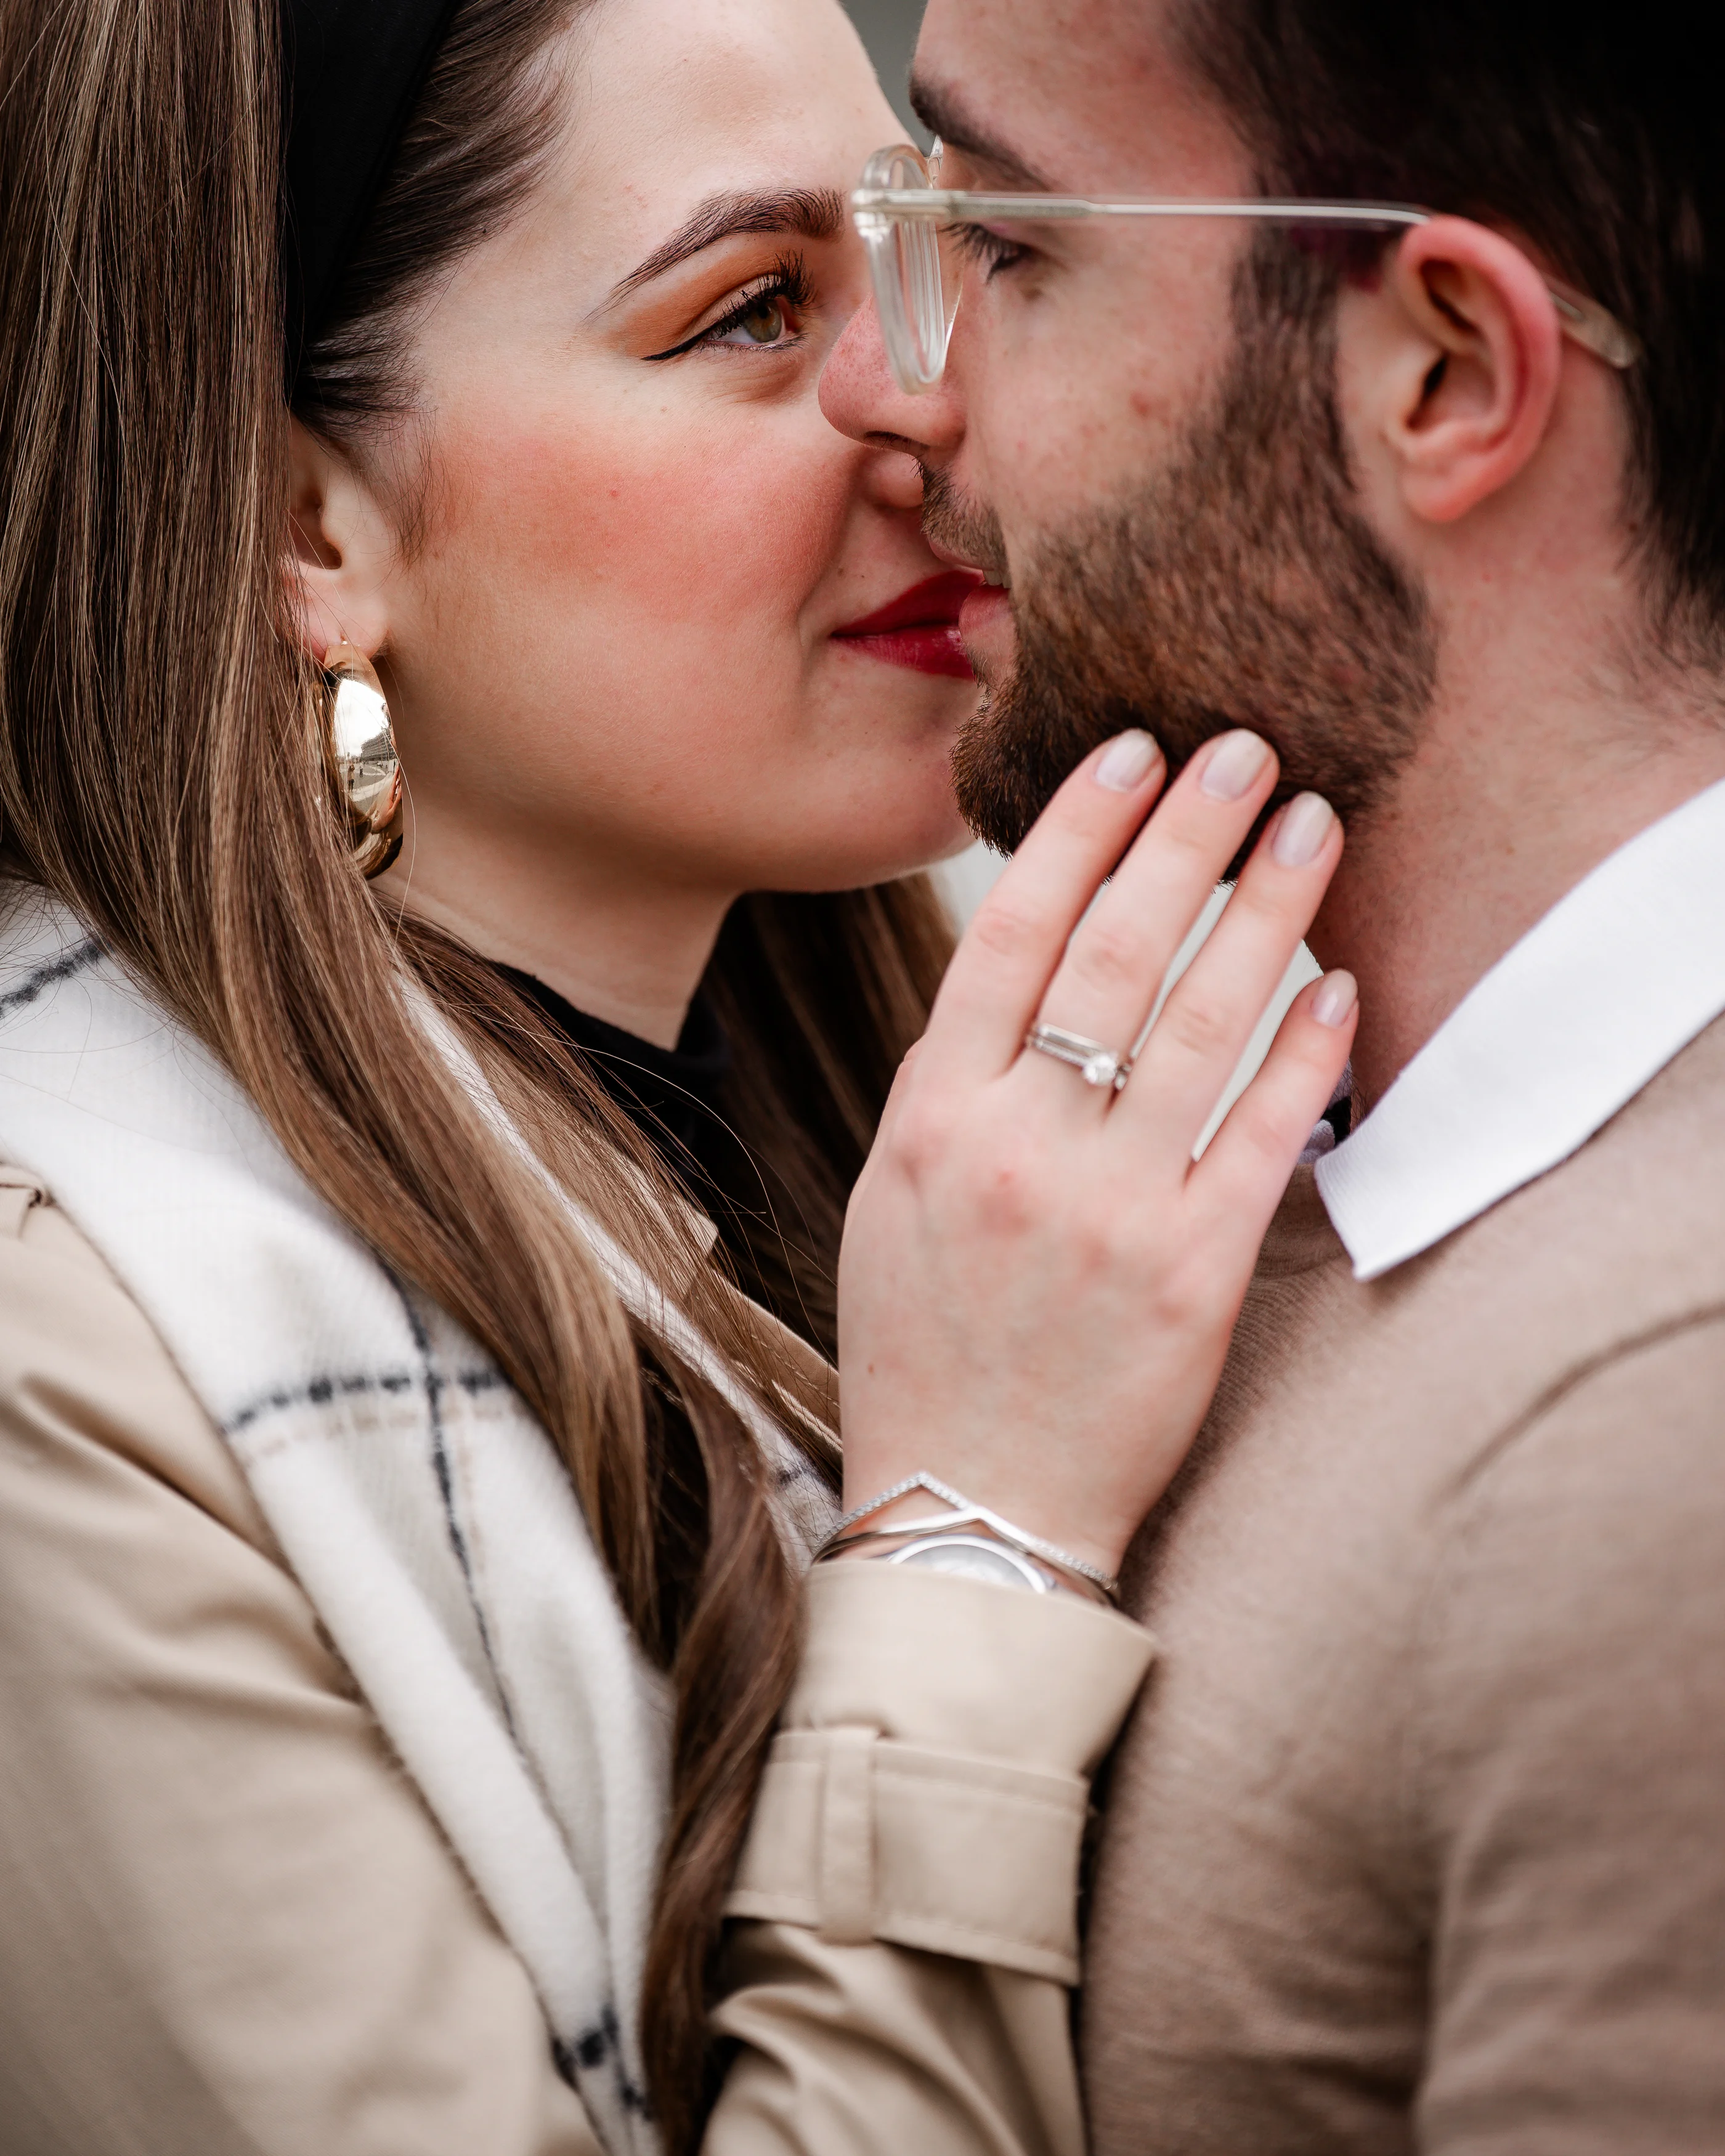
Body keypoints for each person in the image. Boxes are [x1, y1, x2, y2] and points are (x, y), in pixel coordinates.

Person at [0, 0, 1355, 2150]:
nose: (931, 389)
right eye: (749, 308)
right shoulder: (74, 1349)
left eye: (940, 239)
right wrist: (979, 1534)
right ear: (307, 526)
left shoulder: (977, 1090)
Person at [822, 0, 1725, 2148]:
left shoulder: (1663, 1448)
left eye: (1016, 245)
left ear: (1446, 374)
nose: (886, 381)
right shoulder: (1205, 1187)